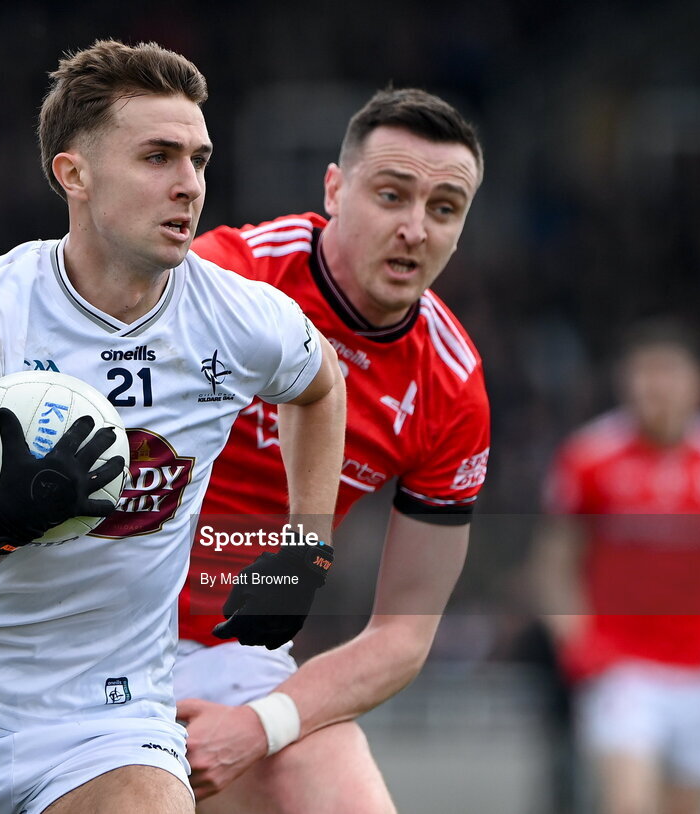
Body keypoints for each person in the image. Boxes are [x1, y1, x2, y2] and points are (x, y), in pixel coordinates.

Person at [0, 39, 346, 814]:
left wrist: (305, 547)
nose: (189, 186)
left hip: (110, 714)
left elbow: (320, 384)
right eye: (158, 157)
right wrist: (4, 520)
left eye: (198, 159)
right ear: (74, 173)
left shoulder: (238, 318)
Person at [175, 87, 490, 812]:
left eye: (443, 210)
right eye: (391, 195)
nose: (415, 228)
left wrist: (261, 723)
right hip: (92, 625)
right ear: (335, 190)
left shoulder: (451, 387)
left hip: (232, 654)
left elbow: (402, 638)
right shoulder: (230, 274)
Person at [532, 321, 700, 814]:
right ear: (625, 382)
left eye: (671, 375)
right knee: (629, 803)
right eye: (646, 376)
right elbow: (553, 564)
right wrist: (580, 644)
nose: (659, 389)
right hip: (622, 667)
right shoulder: (590, 456)